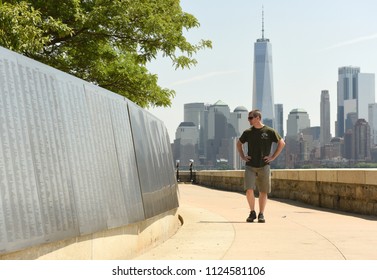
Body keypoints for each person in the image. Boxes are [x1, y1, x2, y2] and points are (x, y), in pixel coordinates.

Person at [236, 109, 285, 223]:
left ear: (258, 118)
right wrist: (243, 156)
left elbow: (282, 143)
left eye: (250, 118)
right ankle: (252, 212)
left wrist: (272, 157)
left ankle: (261, 214)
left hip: (264, 165)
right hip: (250, 165)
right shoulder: (248, 132)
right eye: (248, 118)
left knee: (263, 191)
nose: (249, 120)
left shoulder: (269, 131)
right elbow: (239, 144)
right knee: (249, 190)